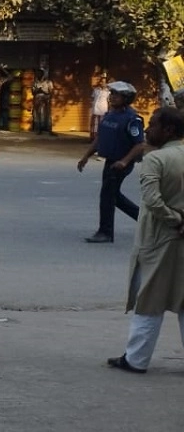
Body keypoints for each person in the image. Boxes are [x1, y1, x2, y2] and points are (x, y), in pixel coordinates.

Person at [107, 107, 184, 374]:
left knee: (149, 300)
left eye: (152, 124)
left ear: (169, 130)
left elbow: (152, 200)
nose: (147, 130)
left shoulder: (156, 159)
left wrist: (175, 220)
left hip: (159, 238)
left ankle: (136, 359)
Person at [77, 81, 145, 243]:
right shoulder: (110, 115)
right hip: (110, 161)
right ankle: (147, 222)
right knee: (114, 196)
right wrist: (86, 156)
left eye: (116, 94)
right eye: (111, 93)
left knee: (108, 196)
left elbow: (140, 144)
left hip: (120, 163)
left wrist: (124, 161)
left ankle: (106, 232)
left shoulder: (132, 119)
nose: (111, 97)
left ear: (126, 98)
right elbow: (101, 138)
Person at [31, 68, 54, 136]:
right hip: (38, 100)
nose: (38, 75)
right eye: (37, 74)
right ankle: (39, 129)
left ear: (42, 74)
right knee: (38, 114)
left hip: (46, 100)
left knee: (47, 115)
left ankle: (49, 130)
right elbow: (33, 92)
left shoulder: (48, 82)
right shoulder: (35, 82)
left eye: (39, 73)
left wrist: (44, 92)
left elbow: (51, 91)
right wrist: (37, 90)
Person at [91, 73, 109, 142]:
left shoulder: (108, 91)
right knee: (94, 124)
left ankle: (101, 138)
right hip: (95, 108)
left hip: (103, 109)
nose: (102, 83)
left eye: (104, 82)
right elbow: (92, 98)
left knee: (102, 123)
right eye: (101, 82)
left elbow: (109, 101)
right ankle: (93, 138)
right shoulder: (96, 90)